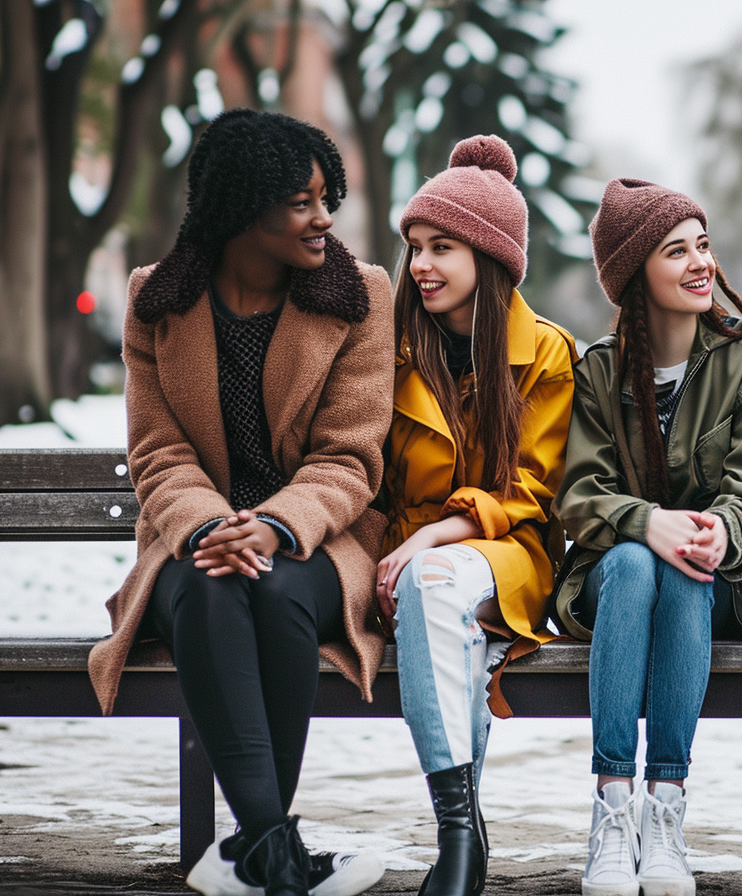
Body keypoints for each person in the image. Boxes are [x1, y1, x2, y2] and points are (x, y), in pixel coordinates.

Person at [87, 109, 393, 896]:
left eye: (328, 197)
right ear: (242, 207)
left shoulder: (359, 297)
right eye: (301, 201)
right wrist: (213, 527)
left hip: (318, 543)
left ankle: (257, 852)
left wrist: (276, 526)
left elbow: (350, 455)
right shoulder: (157, 300)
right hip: (194, 541)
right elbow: (158, 451)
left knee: (279, 589)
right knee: (216, 588)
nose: (325, 217)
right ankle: (274, 854)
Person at [552, 179, 742, 896]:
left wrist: (726, 531)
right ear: (635, 275)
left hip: (711, 584)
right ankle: (613, 808)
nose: (701, 264)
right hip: (614, 583)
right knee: (634, 561)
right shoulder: (599, 372)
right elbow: (579, 494)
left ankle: (666, 811)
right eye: (675, 251)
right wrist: (646, 522)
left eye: (703, 245)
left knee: (686, 565)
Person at [375, 135, 577, 896]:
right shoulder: (390, 353)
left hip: (510, 554)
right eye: (416, 247)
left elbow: (535, 490)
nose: (421, 264)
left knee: (435, 577)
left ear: (488, 257)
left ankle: (457, 838)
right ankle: (462, 835)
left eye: (442, 248)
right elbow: (369, 479)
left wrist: (438, 531)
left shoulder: (547, 356)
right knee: (431, 591)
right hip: (409, 564)